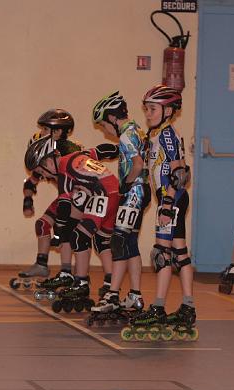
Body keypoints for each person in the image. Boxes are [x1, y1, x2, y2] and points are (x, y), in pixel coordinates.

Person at [121, 85, 197, 342]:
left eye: (152, 109)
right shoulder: (157, 134)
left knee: (162, 255)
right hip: (173, 199)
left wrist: (166, 204)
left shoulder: (167, 134)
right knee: (180, 253)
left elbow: (180, 173)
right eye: (146, 109)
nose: (148, 113)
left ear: (168, 111)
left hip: (171, 199)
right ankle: (187, 306)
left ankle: (159, 308)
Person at [24, 132, 120, 313]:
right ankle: (110, 283)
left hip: (102, 195)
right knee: (100, 241)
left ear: (49, 161)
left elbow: (63, 209)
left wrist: (59, 235)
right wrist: (121, 149)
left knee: (79, 237)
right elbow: (101, 151)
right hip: (112, 192)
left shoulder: (63, 170)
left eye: (42, 171)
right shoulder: (76, 156)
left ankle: (81, 283)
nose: (44, 176)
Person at [87, 91, 151, 325]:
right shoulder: (137, 130)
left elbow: (138, 164)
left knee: (118, 242)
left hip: (134, 192)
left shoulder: (126, 135)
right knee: (130, 243)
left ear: (113, 118)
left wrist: (125, 185)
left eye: (104, 125)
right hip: (143, 191)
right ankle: (135, 295)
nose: (105, 131)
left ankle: (113, 295)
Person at [11, 109, 81, 291]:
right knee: (43, 225)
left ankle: (67, 272)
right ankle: (42, 265)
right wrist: (28, 200)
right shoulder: (49, 157)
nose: (41, 133)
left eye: (44, 130)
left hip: (79, 195)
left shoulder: (67, 151)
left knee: (66, 231)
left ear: (57, 131)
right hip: (67, 196)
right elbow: (31, 181)